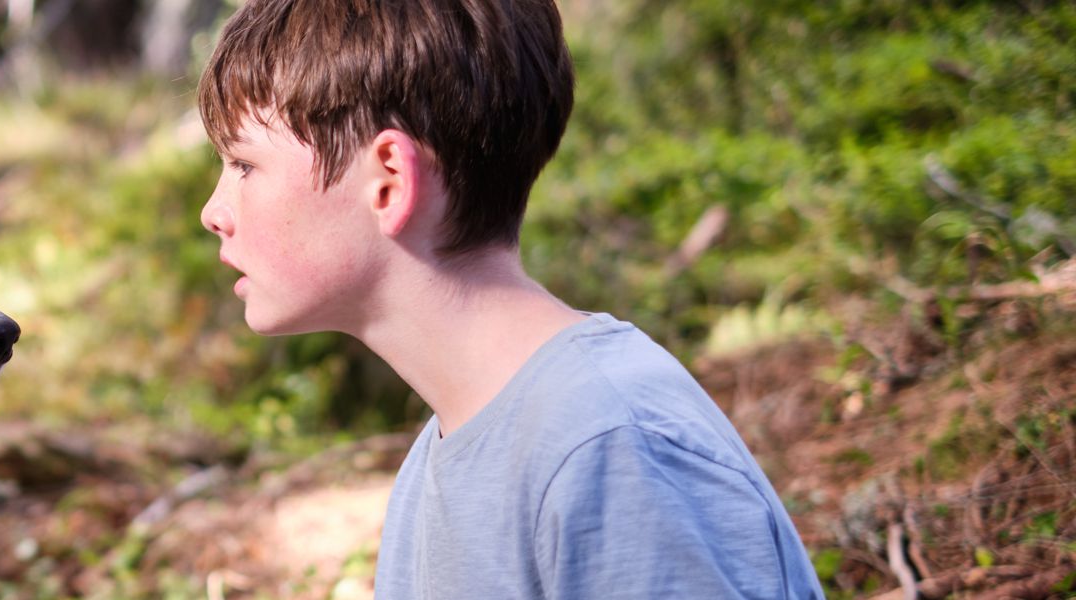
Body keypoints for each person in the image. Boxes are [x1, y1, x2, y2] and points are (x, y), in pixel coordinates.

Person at [194, 1, 823, 597]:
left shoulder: (611, 447)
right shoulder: (452, 453)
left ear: (389, 181)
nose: (213, 211)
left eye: (245, 164)